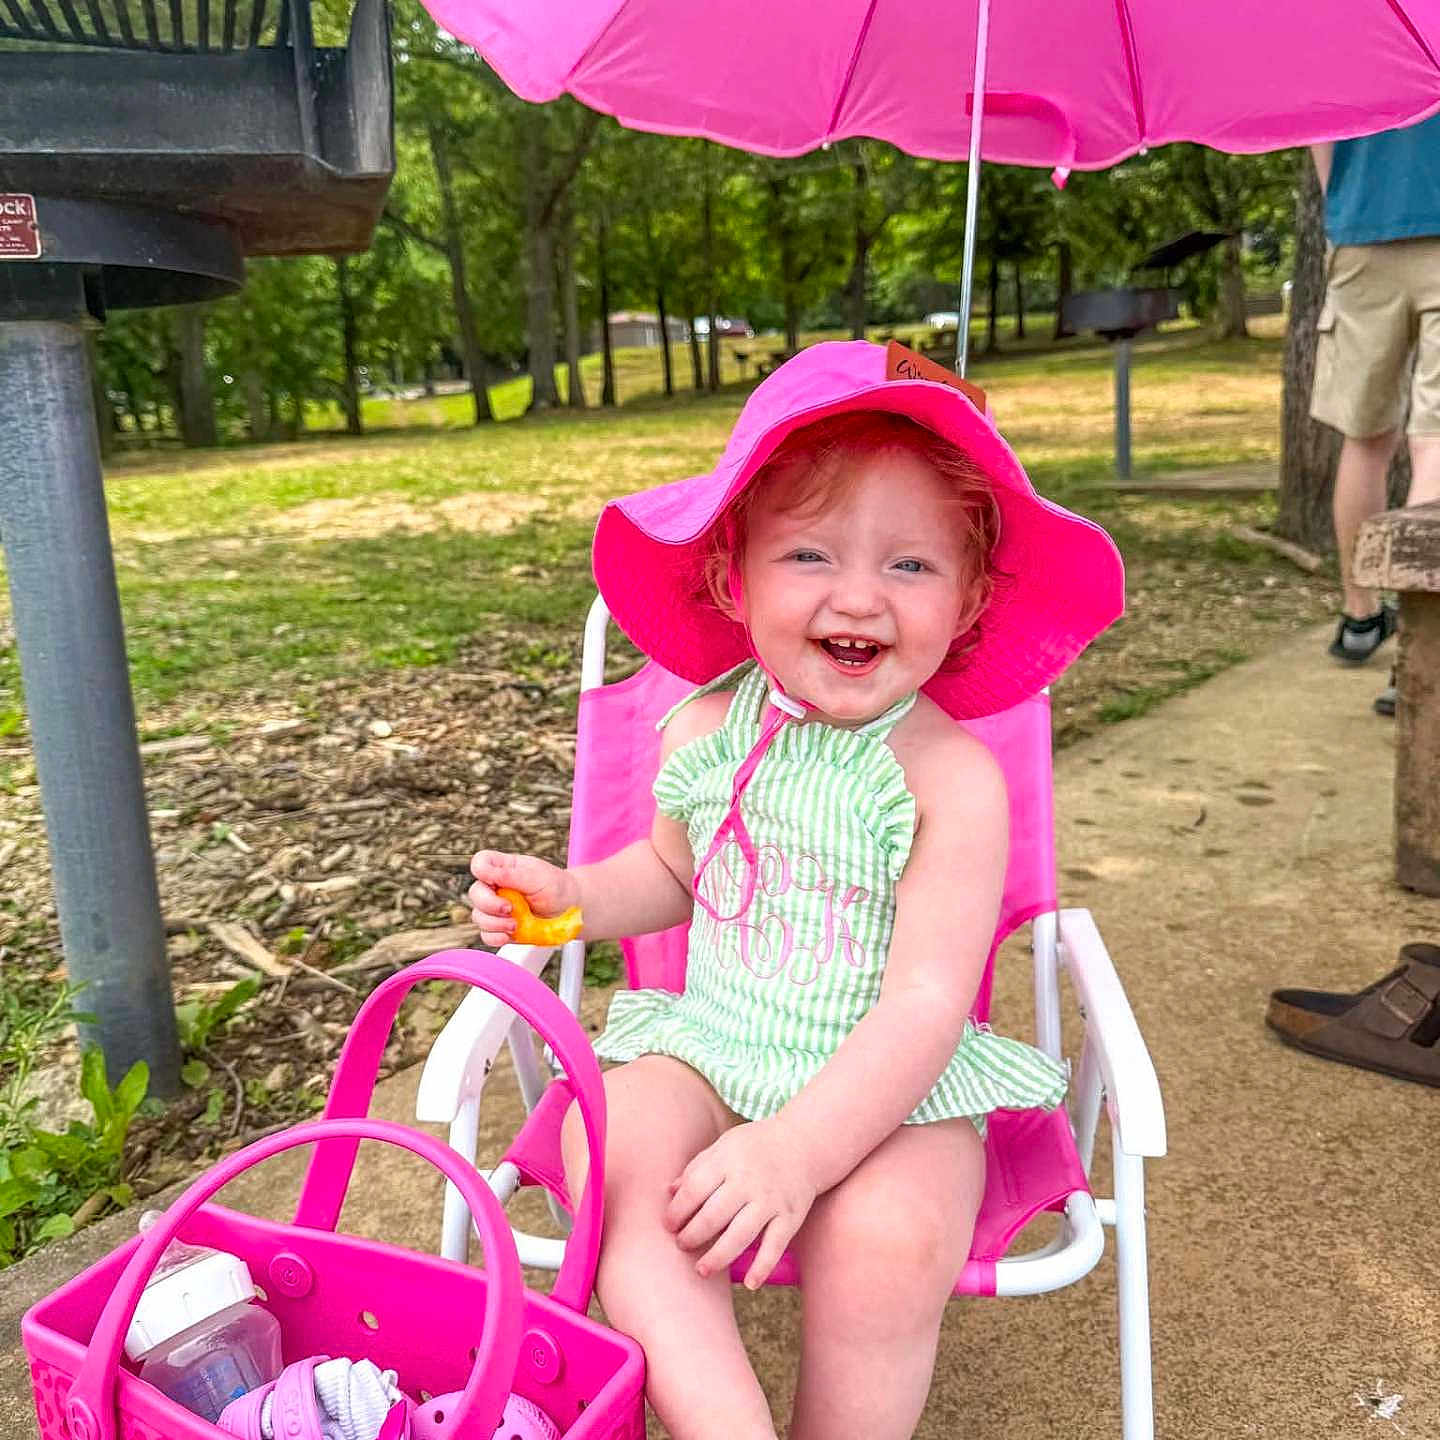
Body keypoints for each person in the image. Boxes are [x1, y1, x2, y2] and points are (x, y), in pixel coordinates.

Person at [467, 342, 1123, 1440]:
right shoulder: (706, 728)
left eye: (911, 567)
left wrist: (797, 1152)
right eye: (811, 554)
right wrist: (570, 899)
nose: (859, 596)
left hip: (896, 1094)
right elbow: (674, 872)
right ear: (734, 576)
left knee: (891, 1243)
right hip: (716, 1051)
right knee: (613, 1148)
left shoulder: (951, 780)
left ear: (966, 604)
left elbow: (925, 1005)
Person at [1311, 113, 1440, 713]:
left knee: (1365, 440)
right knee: (1434, 440)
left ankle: (1361, 616)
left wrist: (1343, 207)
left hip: (1359, 227)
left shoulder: (1349, 15)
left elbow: (1317, 120)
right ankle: (1422, 650)